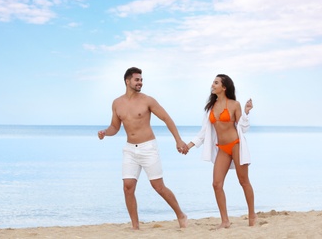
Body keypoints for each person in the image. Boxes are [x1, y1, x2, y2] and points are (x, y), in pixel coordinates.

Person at [97, 67, 188, 230]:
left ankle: (181, 214)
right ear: (127, 81)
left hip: (148, 148)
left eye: (141, 80)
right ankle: (135, 226)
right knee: (128, 187)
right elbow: (115, 127)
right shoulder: (117, 103)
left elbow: (166, 118)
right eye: (137, 79)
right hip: (130, 149)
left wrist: (178, 140)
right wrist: (105, 132)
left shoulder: (147, 100)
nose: (140, 82)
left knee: (158, 187)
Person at [186, 74, 257, 229]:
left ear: (224, 87)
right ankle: (225, 221)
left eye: (216, 83)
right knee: (216, 184)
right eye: (213, 82)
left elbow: (243, 128)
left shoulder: (234, 104)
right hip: (222, 149)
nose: (213, 85)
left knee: (243, 181)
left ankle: (252, 215)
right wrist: (188, 146)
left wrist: (246, 112)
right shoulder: (210, 108)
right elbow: (204, 132)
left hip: (236, 145)